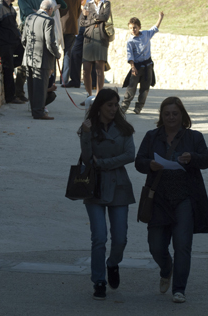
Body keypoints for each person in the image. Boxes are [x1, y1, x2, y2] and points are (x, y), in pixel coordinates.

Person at [135, 96, 208, 304]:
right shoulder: (152, 136)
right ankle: (166, 268)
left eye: (175, 114)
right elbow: (138, 162)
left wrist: (192, 158)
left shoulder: (194, 137)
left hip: (185, 198)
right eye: (167, 114)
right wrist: (150, 164)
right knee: (155, 245)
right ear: (161, 116)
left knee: (183, 245)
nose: (171, 117)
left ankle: (179, 289)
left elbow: (207, 160)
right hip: (158, 198)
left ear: (182, 115)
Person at [78, 88, 136, 300]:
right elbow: (86, 159)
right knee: (99, 238)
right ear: (99, 107)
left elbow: (130, 155)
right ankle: (99, 280)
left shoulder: (124, 128)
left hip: (119, 185)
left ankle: (112, 263)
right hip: (95, 186)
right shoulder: (89, 129)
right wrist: (85, 134)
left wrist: (102, 163)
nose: (113, 109)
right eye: (109, 105)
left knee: (120, 238)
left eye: (116, 104)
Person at [21, 0, 60, 120]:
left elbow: (23, 40)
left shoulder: (29, 18)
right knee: (40, 88)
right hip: (42, 59)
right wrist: (57, 54)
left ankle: (35, 109)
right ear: (50, 10)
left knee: (32, 86)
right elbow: (49, 42)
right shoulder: (48, 20)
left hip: (29, 58)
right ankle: (39, 112)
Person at [120, 12, 164, 114]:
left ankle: (139, 107)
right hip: (137, 66)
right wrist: (133, 67)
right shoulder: (130, 41)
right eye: (131, 28)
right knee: (131, 87)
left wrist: (160, 18)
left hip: (148, 65)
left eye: (135, 27)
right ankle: (124, 106)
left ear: (139, 27)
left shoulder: (146, 34)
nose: (133, 30)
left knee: (145, 88)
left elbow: (155, 28)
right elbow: (130, 54)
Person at [80, 0, 111, 97]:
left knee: (99, 69)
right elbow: (82, 22)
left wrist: (90, 16)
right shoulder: (88, 5)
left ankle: (99, 96)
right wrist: (94, 19)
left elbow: (105, 17)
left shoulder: (106, 4)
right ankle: (88, 95)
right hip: (89, 38)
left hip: (102, 38)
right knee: (86, 69)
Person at [57, 0, 81, 86]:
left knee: (54, 52)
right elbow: (78, 11)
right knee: (67, 53)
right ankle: (64, 79)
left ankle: (52, 78)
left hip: (60, 27)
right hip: (72, 27)